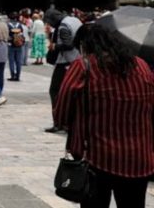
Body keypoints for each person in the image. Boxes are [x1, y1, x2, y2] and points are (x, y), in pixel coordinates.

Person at [54, 24, 154, 208]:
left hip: (96, 158)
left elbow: (61, 113)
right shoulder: (142, 66)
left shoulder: (84, 66)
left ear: (85, 45)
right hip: (139, 157)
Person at [44, 8, 82, 133]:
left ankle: (58, 122)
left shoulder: (63, 27)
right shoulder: (74, 20)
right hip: (78, 60)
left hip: (65, 62)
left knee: (54, 91)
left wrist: (55, 46)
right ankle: (71, 121)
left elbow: (68, 45)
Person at [7, 12, 26, 82]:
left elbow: (7, 35)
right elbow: (22, 34)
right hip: (19, 45)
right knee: (18, 61)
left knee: (11, 61)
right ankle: (18, 76)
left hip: (11, 44)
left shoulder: (8, 25)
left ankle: (12, 75)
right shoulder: (19, 25)